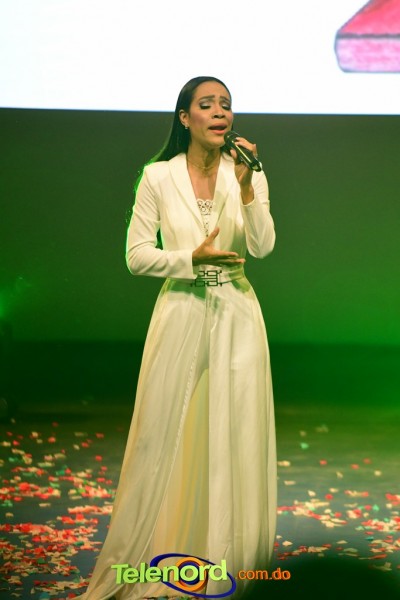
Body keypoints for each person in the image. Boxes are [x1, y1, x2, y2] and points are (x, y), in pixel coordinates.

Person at [80, 76, 277, 600]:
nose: (220, 113)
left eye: (226, 105)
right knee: (165, 433)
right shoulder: (158, 176)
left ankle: (229, 566)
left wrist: (250, 186)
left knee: (235, 435)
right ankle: (157, 559)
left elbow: (263, 246)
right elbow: (136, 255)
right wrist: (191, 258)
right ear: (185, 118)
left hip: (237, 312)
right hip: (181, 309)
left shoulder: (245, 173)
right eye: (207, 105)